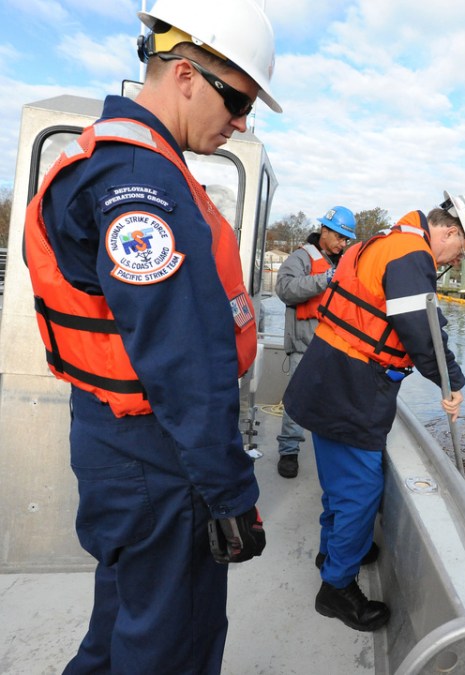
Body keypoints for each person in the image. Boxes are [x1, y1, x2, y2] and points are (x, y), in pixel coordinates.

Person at [22, 1, 280, 671]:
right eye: (240, 99)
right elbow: (186, 367)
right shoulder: (142, 186)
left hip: (120, 443)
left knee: (121, 624)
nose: (243, 121)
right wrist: (232, 496)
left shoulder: (118, 164)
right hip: (160, 461)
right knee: (172, 643)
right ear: (188, 75)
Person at [284, 191, 465, 632]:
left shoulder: (393, 242)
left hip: (331, 378)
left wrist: (447, 370)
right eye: (462, 251)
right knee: (360, 490)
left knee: (341, 485)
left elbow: (422, 320)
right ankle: (336, 587)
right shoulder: (409, 255)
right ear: (451, 232)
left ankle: (337, 550)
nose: (458, 261)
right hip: (349, 388)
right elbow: (421, 332)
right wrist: (451, 381)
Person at [275, 207, 356, 478]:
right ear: (325, 230)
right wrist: (325, 280)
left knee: (333, 402)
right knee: (298, 401)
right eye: (340, 237)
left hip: (334, 346)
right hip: (305, 345)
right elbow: (285, 290)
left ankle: (333, 454)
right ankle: (289, 451)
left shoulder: (344, 262)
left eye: (347, 240)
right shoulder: (301, 258)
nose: (343, 243)